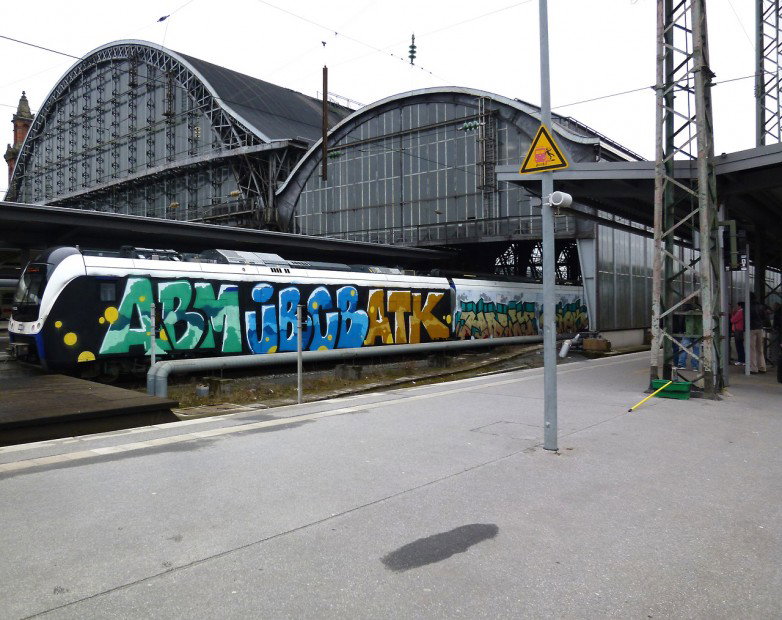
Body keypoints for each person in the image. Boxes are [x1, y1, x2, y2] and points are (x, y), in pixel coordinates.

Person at [676, 304, 701, 371]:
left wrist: (681, 331)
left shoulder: (685, 314)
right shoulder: (699, 313)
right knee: (696, 350)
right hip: (698, 333)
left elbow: (681, 323)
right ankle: (695, 366)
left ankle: (681, 364)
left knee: (684, 349)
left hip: (687, 333)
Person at [749, 293, 767, 374]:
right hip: (760, 328)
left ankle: (753, 368)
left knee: (752, 349)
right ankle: (762, 367)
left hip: (751, 329)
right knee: (760, 349)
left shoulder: (748, 307)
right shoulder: (761, 306)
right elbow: (764, 317)